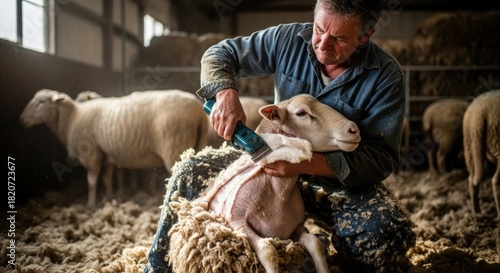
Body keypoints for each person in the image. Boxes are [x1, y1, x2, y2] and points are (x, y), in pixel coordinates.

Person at [145, 0, 416, 272]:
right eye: (319, 29)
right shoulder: (288, 39)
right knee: (189, 172)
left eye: (339, 38)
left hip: (335, 181)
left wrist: (303, 164)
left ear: (365, 35)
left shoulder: (385, 75)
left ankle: (337, 263)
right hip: (267, 163)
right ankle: (158, 268)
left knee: (386, 230)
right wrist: (225, 92)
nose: (322, 45)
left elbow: (381, 158)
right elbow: (220, 53)